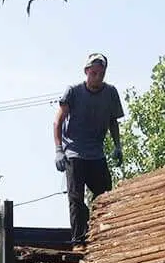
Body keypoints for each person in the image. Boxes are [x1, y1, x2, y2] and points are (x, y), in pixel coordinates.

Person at [53, 52, 124, 246]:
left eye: (101, 74)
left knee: (105, 194)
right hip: (74, 152)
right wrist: (59, 149)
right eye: (94, 73)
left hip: (96, 153)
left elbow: (113, 121)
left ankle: (103, 238)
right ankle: (78, 241)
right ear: (86, 71)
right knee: (76, 198)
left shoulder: (110, 93)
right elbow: (57, 121)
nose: (97, 77)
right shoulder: (73, 92)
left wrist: (118, 146)